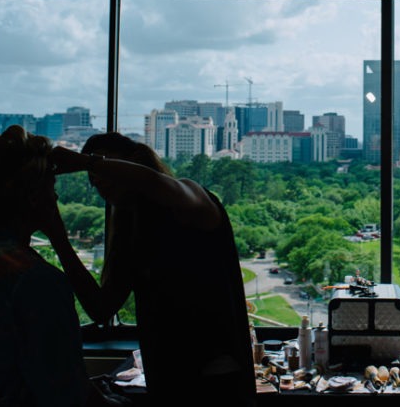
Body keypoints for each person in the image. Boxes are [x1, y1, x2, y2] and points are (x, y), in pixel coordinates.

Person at [45, 133, 255, 406]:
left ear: (135, 164)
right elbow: (100, 307)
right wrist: (58, 238)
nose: (100, 181)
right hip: (171, 379)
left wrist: (89, 162)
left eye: (107, 168)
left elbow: (154, 183)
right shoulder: (134, 232)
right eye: (95, 180)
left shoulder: (190, 197)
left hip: (215, 377)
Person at [0, 125, 110, 406]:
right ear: (34, 198)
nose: (58, 199)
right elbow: (68, 395)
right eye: (52, 189)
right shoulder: (38, 282)